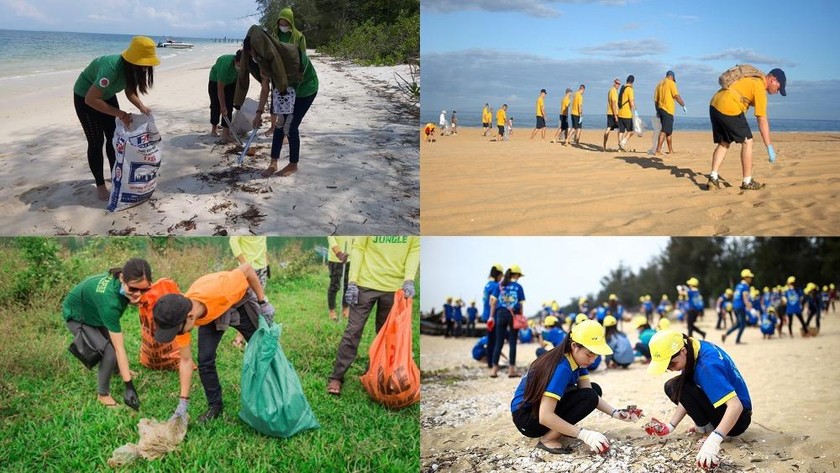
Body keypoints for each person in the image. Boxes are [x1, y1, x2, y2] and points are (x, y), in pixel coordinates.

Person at [152, 263, 275, 422]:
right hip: (209, 313)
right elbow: (186, 360)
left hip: (238, 301)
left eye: (177, 331)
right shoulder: (179, 318)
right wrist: (183, 402)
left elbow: (247, 269)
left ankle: (272, 394)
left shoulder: (223, 288)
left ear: (190, 317)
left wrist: (263, 301)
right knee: (205, 361)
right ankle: (215, 406)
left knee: (262, 348)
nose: (177, 334)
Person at [511, 320, 638, 455]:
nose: (592, 360)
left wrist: (616, 413)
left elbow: (589, 393)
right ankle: (548, 439)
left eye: (596, 354)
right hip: (527, 418)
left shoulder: (576, 359)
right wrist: (583, 434)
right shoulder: (562, 368)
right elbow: (544, 416)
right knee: (589, 396)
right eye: (589, 354)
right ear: (574, 346)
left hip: (537, 408)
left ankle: (558, 429)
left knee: (593, 391)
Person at [327, 236, 420, 396]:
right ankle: (337, 377)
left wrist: (409, 280)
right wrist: (353, 282)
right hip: (365, 284)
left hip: (394, 288)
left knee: (387, 336)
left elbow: (414, 249)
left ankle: (375, 371)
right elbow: (359, 248)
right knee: (353, 331)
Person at [646, 330, 752, 469]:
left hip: (738, 419)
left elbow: (735, 406)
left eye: (671, 364)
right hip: (728, 410)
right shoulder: (693, 348)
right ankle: (708, 427)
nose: (670, 369)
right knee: (674, 386)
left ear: (682, 351)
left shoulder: (706, 366)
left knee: (676, 385)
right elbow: (687, 394)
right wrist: (670, 426)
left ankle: (711, 432)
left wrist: (714, 440)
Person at [73, 36, 159, 201]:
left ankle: (115, 176)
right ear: (132, 59)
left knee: (114, 138)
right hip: (85, 97)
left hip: (106, 96)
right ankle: (100, 185)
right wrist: (120, 114)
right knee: (96, 141)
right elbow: (91, 99)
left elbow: (129, 91)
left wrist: (141, 107)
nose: (145, 68)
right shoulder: (111, 68)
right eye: (143, 64)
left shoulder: (134, 68)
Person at [63, 258, 152, 409]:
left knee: (109, 344)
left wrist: (131, 297)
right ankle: (103, 394)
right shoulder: (110, 303)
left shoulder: (119, 282)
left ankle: (117, 370)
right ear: (123, 278)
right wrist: (129, 386)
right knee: (109, 352)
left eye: (144, 290)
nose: (138, 294)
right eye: (133, 289)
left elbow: (128, 293)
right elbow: (119, 348)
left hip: (95, 312)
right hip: (79, 316)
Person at [236, 23, 317, 178]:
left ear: (260, 48)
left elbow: (289, 81)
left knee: (290, 126)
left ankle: (293, 164)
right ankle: (273, 163)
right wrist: (259, 113)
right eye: (251, 55)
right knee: (279, 125)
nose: (253, 57)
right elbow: (265, 89)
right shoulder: (263, 60)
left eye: (253, 54)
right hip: (286, 90)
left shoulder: (286, 55)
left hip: (305, 88)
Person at [706, 67, 786, 191]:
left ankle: (713, 178)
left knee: (724, 142)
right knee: (747, 141)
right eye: (779, 87)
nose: (777, 91)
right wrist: (769, 147)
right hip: (729, 106)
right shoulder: (759, 86)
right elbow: (762, 120)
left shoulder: (751, 79)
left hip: (715, 104)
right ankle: (747, 181)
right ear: (773, 79)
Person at [229, 236, 269, 347]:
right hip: (248, 268)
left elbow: (263, 242)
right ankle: (242, 339)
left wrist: (266, 261)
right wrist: (244, 264)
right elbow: (233, 240)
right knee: (249, 304)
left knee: (260, 301)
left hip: (262, 266)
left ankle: (252, 336)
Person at [490, 265, 526, 378]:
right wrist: (520, 317)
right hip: (513, 315)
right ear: (515, 275)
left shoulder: (500, 285)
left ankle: (494, 371)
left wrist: (491, 317)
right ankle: (511, 371)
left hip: (500, 314)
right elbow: (520, 305)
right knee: (512, 343)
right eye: (519, 275)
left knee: (498, 342)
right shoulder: (518, 287)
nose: (519, 277)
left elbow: (493, 302)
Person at [208, 51, 242, 142]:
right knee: (216, 105)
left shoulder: (245, 65)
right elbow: (220, 88)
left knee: (229, 106)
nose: (240, 68)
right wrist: (222, 107)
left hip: (231, 82)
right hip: (215, 82)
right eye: (239, 65)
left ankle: (225, 133)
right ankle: (214, 129)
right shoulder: (225, 64)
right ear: (235, 60)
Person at [653, 70, 686, 155]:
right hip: (667, 110)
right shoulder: (671, 83)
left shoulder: (659, 84)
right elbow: (676, 95)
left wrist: (657, 110)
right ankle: (658, 150)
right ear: (672, 77)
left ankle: (670, 150)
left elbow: (656, 100)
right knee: (664, 130)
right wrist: (683, 104)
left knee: (669, 130)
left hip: (660, 109)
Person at [722, 269, 754, 344]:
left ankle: (726, 334)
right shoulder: (745, 286)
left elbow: (735, 296)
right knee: (743, 324)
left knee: (738, 324)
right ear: (745, 277)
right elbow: (745, 297)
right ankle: (737, 340)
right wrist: (749, 306)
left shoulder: (738, 285)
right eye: (750, 277)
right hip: (740, 307)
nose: (751, 279)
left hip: (735, 306)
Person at [483, 264, 504, 371]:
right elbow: (493, 302)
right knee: (495, 340)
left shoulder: (487, 285)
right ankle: (492, 363)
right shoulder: (496, 285)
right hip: (494, 316)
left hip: (486, 315)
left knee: (490, 339)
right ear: (498, 274)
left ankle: (489, 362)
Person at [326, 236, 353, 321]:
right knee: (334, 285)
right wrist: (339, 254)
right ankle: (332, 311)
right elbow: (331, 239)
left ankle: (345, 308)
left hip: (350, 259)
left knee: (348, 285)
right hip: (336, 260)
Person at [617, 75, 636, 151]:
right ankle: (623, 142)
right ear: (632, 82)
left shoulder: (622, 88)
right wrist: (634, 110)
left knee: (621, 131)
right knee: (631, 131)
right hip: (627, 113)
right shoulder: (630, 89)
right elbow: (631, 102)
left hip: (620, 112)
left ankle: (619, 147)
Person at [603, 78, 621, 151]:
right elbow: (613, 103)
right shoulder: (613, 91)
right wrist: (615, 115)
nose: (618, 85)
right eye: (617, 83)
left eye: (619, 84)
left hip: (610, 112)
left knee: (609, 128)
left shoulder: (613, 91)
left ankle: (604, 147)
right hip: (613, 113)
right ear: (614, 83)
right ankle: (619, 147)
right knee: (620, 129)